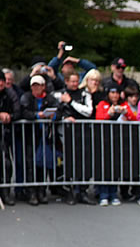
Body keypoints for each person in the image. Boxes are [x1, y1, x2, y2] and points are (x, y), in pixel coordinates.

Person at [55, 72, 95, 205]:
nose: (75, 84)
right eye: (72, 81)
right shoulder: (59, 94)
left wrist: (71, 102)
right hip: (65, 134)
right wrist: (64, 118)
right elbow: (55, 112)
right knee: (68, 161)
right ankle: (69, 191)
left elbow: (88, 112)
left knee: (84, 162)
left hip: (83, 133)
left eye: (77, 81)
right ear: (66, 81)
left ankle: (82, 191)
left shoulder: (85, 94)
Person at [20, 75, 59, 205]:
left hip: (46, 136)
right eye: (34, 86)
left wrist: (53, 116)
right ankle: (31, 192)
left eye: (38, 85)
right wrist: (37, 115)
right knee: (30, 164)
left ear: (43, 86)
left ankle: (41, 191)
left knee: (43, 164)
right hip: (30, 136)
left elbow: (59, 111)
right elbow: (23, 112)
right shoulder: (26, 97)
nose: (36, 88)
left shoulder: (50, 98)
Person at [94, 85, 135, 206]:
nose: (115, 95)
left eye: (117, 93)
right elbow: (98, 118)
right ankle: (103, 194)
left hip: (119, 139)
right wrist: (109, 114)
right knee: (104, 167)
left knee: (115, 167)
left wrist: (126, 112)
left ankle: (113, 193)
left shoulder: (124, 104)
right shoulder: (102, 104)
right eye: (112, 93)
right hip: (104, 139)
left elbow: (134, 118)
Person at [0, 71, 17, 205]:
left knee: (6, 164)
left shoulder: (10, 93)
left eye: (1, 80)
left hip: (5, 134)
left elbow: (18, 110)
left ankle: (5, 192)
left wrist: (10, 116)